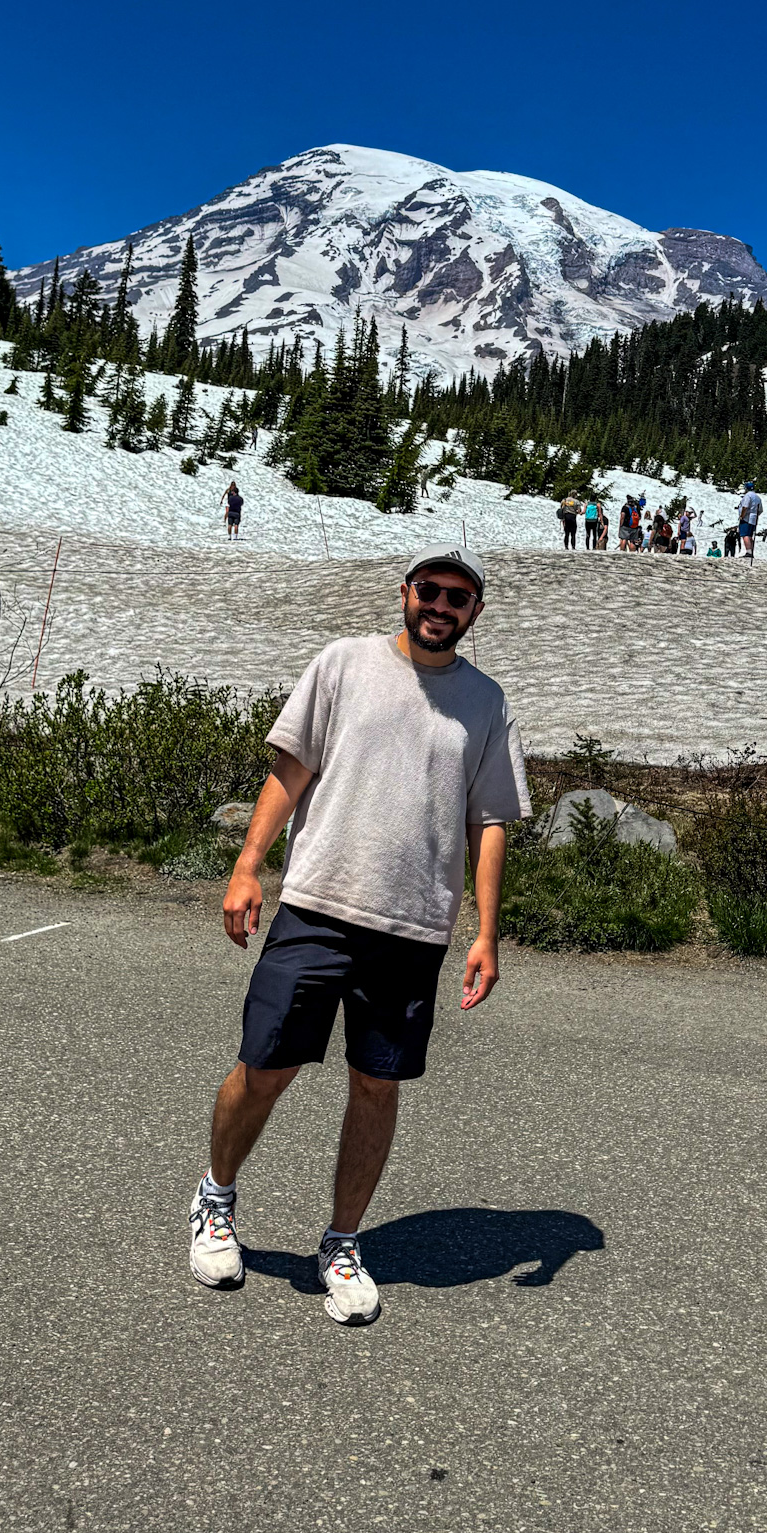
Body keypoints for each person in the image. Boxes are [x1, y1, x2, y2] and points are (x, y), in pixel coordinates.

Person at [188, 546, 530, 1326]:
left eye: (460, 596)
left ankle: (342, 1242)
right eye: (430, 590)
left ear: (476, 612)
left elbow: (491, 823)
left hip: (413, 927)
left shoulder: (487, 703)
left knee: (376, 1085)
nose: (442, 605)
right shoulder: (343, 664)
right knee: (266, 1065)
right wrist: (248, 866)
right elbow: (289, 770)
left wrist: (486, 933)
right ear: (406, 594)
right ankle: (216, 1200)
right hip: (316, 904)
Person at [737, 481, 763, 563]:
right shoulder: (758, 497)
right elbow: (760, 510)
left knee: (745, 535)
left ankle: (748, 552)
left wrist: (742, 516)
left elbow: (745, 507)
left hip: (746, 518)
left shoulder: (748, 496)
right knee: (750, 535)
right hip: (754, 518)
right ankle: (751, 551)